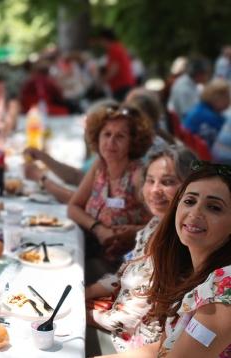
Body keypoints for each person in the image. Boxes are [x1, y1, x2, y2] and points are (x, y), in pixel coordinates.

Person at [99, 161, 231, 357]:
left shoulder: (223, 289)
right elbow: (161, 349)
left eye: (214, 207)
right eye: (189, 201)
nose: (195, 213)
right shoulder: (188, 268)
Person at [85, 146, 196, 353]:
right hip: (119, 320)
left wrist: (86, 315)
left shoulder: (179, 241)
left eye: (167, 182)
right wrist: (86, 292)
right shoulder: (155, 224)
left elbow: (134, 318)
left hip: (133, 344)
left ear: (190, 188)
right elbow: (123, 274)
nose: (154, 190)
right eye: (150, 180)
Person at [67, 104, 154, 281]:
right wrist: (98, 229)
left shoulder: (138, 176)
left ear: (133, 142)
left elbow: (162, 223)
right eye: (106, 134)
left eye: (120, 136)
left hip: (122, 266)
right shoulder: (100, 165)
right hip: (91, 247)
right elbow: (73, 206)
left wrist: (135, 232)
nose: (110, 142)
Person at [183, 78, 231, 147]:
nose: (229, 102)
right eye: (227, 97)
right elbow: (226, 127)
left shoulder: (200, 108)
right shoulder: (209, 116)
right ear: (216, 98)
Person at [94, 28, 136, 101]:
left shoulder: (114, 49)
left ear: (104, 39)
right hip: (123, 85)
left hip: (122, 86)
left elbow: (113, 70)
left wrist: (101, 82)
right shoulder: (117, 47)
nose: (100, 43)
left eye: (100, 40)